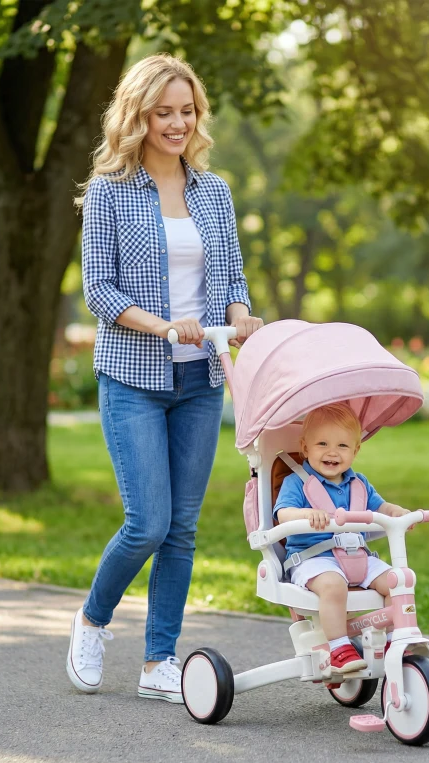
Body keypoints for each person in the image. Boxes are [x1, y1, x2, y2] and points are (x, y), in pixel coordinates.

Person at [67, 53, 263, 702]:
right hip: (133, 377)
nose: (177, 124)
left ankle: (160, 663)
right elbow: (99, 290)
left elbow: (231, 279)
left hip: (199, 379)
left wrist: (240, 316)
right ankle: (93, 619)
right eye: (164, 113)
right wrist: (163, 325)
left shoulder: (215, 192)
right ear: (139, 115)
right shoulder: (109, 192)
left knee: (182, 528)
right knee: (146, 523)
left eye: (187, 112)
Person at [273, 403, 411, 673]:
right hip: (315, 559)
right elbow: (283, 514)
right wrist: (306, 514)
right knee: (334, 587)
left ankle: (395, 640)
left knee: (400, 581)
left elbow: (380, 508)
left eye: (342, 446)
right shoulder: (297, 482)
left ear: (356, 451)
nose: (332, 452)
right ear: (305, 447)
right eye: (322, 443)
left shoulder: (359, 483)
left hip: (358, 557)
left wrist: (396, 512)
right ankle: (338, 647)